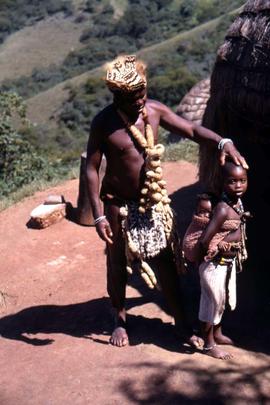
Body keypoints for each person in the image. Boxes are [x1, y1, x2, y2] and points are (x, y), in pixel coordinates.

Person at [86, 54, 248, 348]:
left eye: (142, 94)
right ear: (117, 95)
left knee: (166, 263)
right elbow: (91, 169)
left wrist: (223, 141)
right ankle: (120, 319)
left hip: (152, 204)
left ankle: (181, 323)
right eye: (132, 97)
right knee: (117, 261)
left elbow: (192, 130)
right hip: (117, 206)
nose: (139, 101)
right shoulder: (104, 123)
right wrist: (98, 215)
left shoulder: (154, 111)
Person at [197, 160, 249, 359]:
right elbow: (204, 239)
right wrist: (208, 258)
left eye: (242, 181)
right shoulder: (222, 209)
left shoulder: (236, 203)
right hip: (214, 264)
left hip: (226, 264)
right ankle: (208, 344)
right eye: (232, 181)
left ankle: (216, 333)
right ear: (222, 182)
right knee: (212, 302)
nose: (238, 186)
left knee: (220, 301)